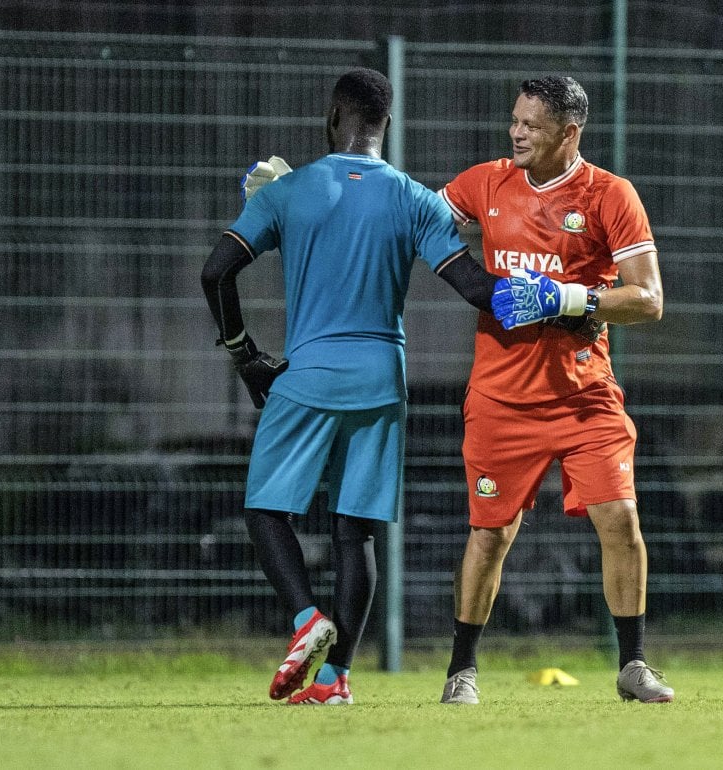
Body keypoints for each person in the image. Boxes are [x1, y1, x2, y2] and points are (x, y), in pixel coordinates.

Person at [201, 68, 506, 705]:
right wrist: (566, 299)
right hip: (380, 382)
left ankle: (306, 620)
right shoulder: (415, 199)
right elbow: (476, 289)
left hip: (307, 375)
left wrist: (246, 355)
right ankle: (338, 680)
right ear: (385, 126)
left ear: (333, 117)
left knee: (265, 509)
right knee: (355, 531)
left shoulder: (287, 191)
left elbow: (216, 272)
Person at [436, 76, 674, 705]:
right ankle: (462, 670)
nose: (516, 133)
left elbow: (648, 300)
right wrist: (302, 196)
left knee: (621, 519)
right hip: (500, 397)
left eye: (532, 125)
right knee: (491, 533)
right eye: (514, 120)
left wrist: (570, 296)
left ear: (570, 132)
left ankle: (633, 665)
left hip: (583, 394)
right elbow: (409, 215)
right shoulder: (484, 182)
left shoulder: (609, 195)